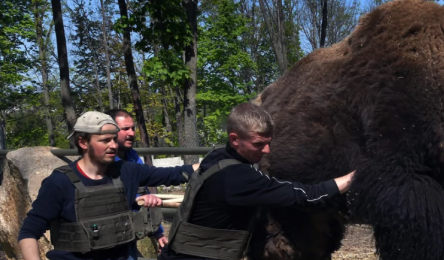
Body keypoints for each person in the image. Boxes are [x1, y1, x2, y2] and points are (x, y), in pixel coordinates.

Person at [160, 103, 355, 260]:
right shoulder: (238, 178)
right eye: (259, 144)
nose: (267, 150)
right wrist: (348, 180)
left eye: (269, 142)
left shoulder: (216, 156)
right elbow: (302, 196)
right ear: (235, 139)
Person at [18, 111, 198, 260]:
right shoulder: (59, 182)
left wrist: (218, 161)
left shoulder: (126, 171)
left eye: (114, 139)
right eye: (105, 140)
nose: (113, 145)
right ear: (83, 142)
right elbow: (29, 231)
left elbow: (176, 174)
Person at [107, 109, 167, 258]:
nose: (132, 133)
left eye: (133, 128)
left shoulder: (132, 156)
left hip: (129, 233)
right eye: (125, 129)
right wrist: (134, 199)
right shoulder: (103, 162)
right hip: (109, 236)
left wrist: (158, 233)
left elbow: (142, 192)